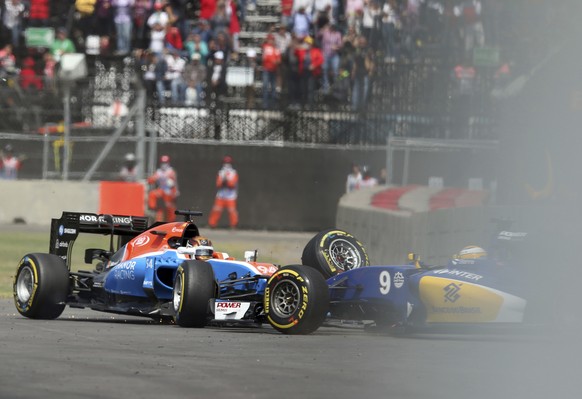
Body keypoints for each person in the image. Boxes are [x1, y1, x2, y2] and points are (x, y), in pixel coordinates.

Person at [208, 155, 239, 229]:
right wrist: (222, 182)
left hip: (230, 196)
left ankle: (233, 226)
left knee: (232, 211)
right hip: (221, 195)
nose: (227, 164)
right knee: (216, 209)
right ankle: (212, 225)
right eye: (225, 162)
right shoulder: (221, 172)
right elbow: (218, 184)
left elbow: (233, 184)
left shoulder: (234, 173)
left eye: (228, 163)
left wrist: (227, 182)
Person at [147, 154, 179, 222]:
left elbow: (173, 184)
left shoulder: (171, 171)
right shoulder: (158, 172)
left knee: (170, 208)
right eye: (162, 163)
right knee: (152, 194)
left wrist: (175, 191)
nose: (163, 164)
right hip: (161, 190)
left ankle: (171, 221)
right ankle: (152, 209)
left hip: (169, 191)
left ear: (168, 163)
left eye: (165, 163)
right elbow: (150, 180)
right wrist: (154, 178)